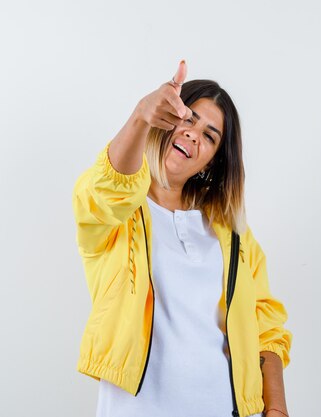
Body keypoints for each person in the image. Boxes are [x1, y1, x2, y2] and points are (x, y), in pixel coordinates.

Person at [72, 60, 293, 417]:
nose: (194, 134)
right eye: (189, 119)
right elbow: (108, 187)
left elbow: (265, 325)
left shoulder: (232, 233)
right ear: (166, 120)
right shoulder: (119, 214)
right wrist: (141, 116)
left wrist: (277, 409)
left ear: (210, 162)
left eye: (210, 136)